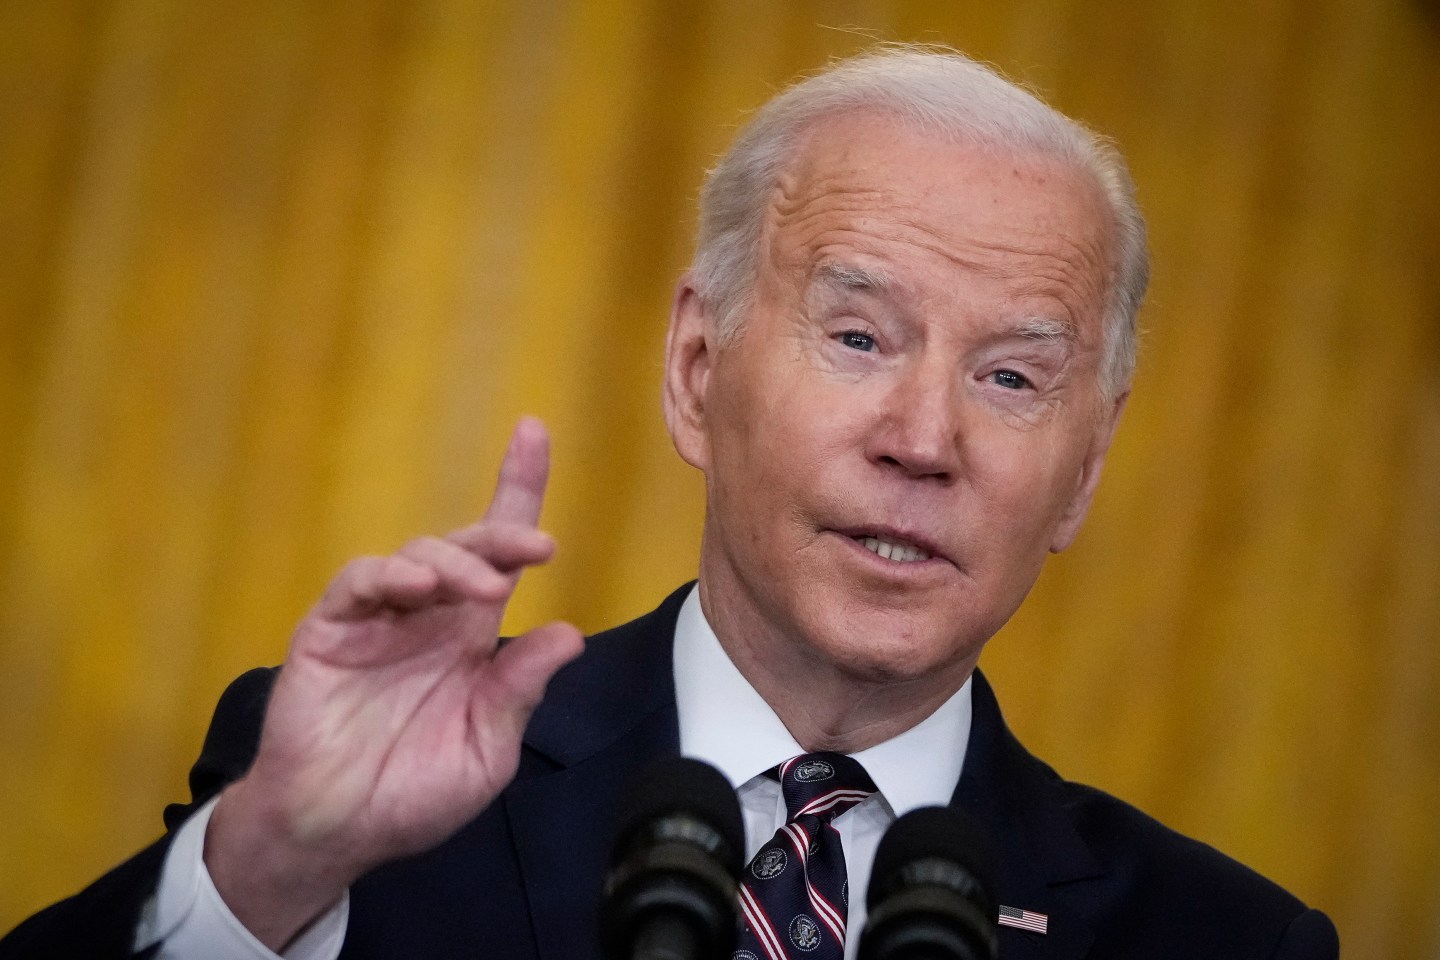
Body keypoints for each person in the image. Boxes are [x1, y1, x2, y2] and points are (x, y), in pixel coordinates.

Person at [1, 46, 1339, 960]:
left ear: (1084, 474)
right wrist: (267, 872)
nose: (926, 440)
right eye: (860, 338)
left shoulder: (1221, 938)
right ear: (699, 372)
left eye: (1009, 377)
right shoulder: (365, 814)